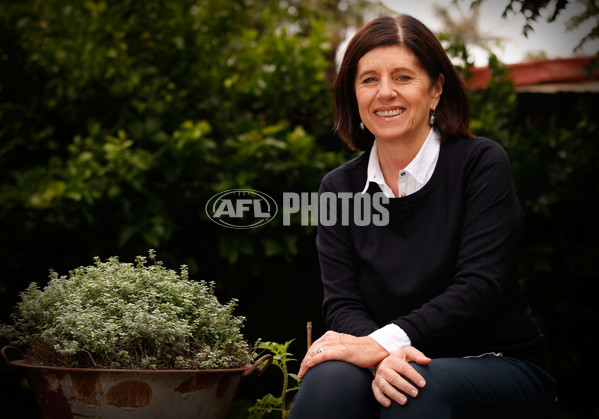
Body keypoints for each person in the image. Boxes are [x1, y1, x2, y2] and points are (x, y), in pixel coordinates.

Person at [289, 14, 557, 419]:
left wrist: (382, 345)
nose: (385, 93)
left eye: (402, 77)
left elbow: (479, 286)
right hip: (388, 360)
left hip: (496, 361)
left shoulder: (479, 164)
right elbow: (342, 302)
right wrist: (381, 357)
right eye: (368, 80)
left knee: (413, 389)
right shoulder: (338, 189)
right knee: (328, 383)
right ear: (353, 95)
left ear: (435, 90)